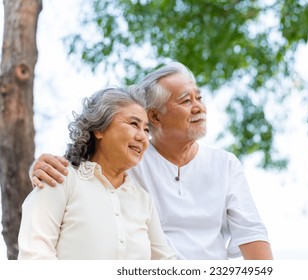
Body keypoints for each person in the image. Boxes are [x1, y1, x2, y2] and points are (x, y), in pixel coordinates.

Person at [30, 62, 274, 260]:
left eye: (199, 98)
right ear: (156, 116)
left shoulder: (225, 164)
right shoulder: (131, 158)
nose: (199, 107)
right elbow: (84, 167)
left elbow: (251, 232)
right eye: (186, 100)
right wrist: (40, 167)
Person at [19, 86, 176, 260]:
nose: (142, 137)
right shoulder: (59, 177)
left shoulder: (144, 201)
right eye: (133, 124)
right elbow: (34, 256)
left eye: (146, 130)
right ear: (99, 129)